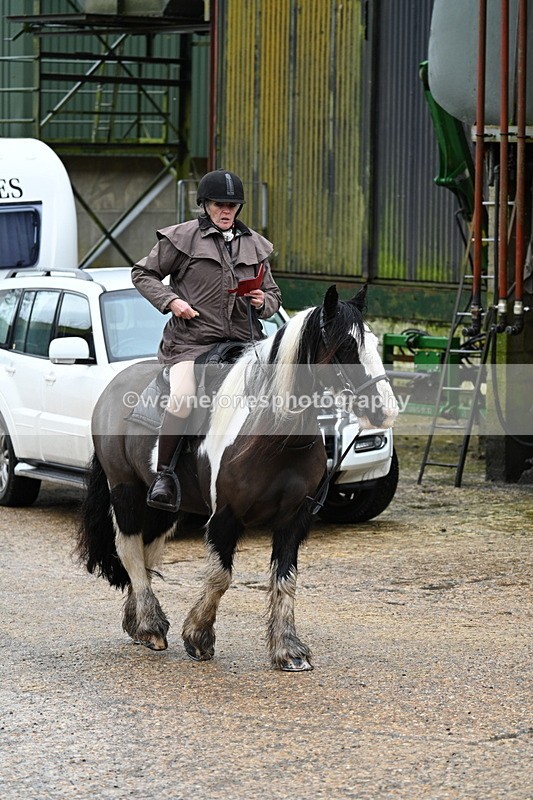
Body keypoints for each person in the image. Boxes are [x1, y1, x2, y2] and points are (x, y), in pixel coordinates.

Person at [131, 169, 282, 512]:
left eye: (232, 205)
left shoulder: (255, 244)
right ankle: (165, 475)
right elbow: (142, 273)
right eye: (219, 205)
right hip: (191, 343)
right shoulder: (181, 238)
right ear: (205, 204)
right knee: (184, 396)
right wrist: (171, 301)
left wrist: (264, 302)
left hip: (245, 344)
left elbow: (274, 295)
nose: (226, 211)